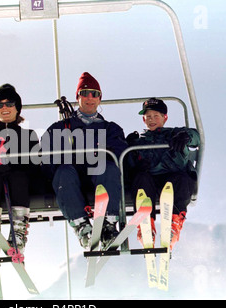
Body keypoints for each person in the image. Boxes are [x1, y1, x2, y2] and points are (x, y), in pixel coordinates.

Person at [41, 72, 128, 249]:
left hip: (99, 175)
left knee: (109, 166)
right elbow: (47, 157)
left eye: (94, 94)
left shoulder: (110, 129)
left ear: (100, 99)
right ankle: (82, 226)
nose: (90, 98)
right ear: (78, 97)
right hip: (72, 176)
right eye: (85, 93)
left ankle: (108, 224)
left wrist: (100, 152)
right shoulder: (60, 128)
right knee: (63, 172)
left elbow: (120, 153)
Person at [126, 97, 200, 250]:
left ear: (165, 117)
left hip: (172, 179)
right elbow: (128, 165)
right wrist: (128, 148)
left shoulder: (175, 134)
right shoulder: (139, 141)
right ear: (143, 119)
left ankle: (174, 224)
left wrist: (185, 136)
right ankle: (146, 224)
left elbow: (196, 137)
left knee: (182, 179)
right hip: (149, 181)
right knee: (140, 178)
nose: (151, 120)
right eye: (148, 117)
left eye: (156, 116)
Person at [0, 84, 39, 253]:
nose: (5, 108)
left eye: (9, 104)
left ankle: (17, 232)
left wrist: (14, 165)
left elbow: (34, 164)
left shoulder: (28, 135)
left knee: (18, 177)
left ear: (17, 108)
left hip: (20, 180)